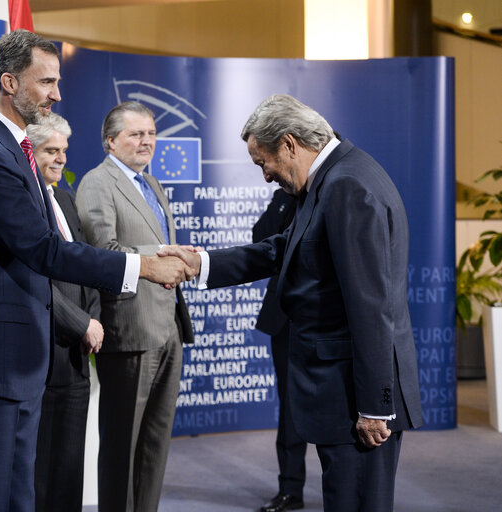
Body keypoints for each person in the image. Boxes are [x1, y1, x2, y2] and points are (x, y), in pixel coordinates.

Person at [0, 29, 188, 512]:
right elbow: (45, 250)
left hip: (19, 363)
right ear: (9, 82)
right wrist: (142, 267)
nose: (57, 93)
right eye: (46, 82)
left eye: (57, 81)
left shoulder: (15, 149)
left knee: (17, 500)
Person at [160, 94, 422, 512]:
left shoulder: (346, 186)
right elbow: (283, 248)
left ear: (289, 144)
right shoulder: (332, 179)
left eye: (262, 162)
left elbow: (370, 308)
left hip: (355, 400)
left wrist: (375, 407)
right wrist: (201, 263)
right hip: (341, 393)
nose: (265, 176)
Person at [76, 101, 194, 512]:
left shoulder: (151, 183)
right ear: (111, 141)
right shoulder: (97, 183)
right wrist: (158, 254)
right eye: (136, 134)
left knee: (155, 445)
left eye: (151, 134)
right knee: (123, 445)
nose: (147, 142)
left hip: (167, 329)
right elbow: (101, 252)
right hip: (130, 330)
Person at [27, 113, 103, 512]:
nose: (60, 159)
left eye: (64, 151)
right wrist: (80, 323)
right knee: (42, 473)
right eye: (50, 150)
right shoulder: (28, 204)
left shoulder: (64, 199)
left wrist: (92, 318)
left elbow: (85, 264)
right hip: (44, 351)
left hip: (75, 355)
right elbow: (36, 278)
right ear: (29, 152)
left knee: (70, 471)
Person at [252, 189, 305, 512]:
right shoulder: (284, 195)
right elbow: (260, 237)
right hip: (284, 318)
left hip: (327, 320)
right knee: (290, 408)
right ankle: (290, 489)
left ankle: (346, 487)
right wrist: (287, 197)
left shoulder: (336, 191)